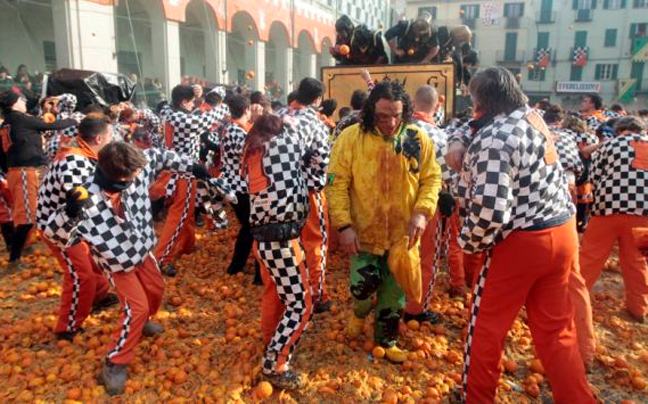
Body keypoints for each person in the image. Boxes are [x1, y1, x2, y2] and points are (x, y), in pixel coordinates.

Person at [445, 67, 595, 403]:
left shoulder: (494, 138)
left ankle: (477, 397)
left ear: (480, 100)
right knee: (557, 330)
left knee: (486, 327)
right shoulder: (532, 118)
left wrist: (466, 243)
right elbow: (467, 126)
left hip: (521, 241)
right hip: (562, 231)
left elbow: (491, 211)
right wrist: (458, 140)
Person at [42, 142, 212, 395]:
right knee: (137, 307)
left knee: (156, 291)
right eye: (129, 179)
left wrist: (194, 166)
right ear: (115, 177)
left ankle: (140, 323)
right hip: (117, 262)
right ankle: (115, 361)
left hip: (143, 249)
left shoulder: (140, 166)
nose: (136, 180)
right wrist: (70, 212)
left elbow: (162, 156)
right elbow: (52, 233)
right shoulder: (87, 196)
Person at [328, 80, 441, 363]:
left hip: (403, 237)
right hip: (363, 233)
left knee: (394, 294)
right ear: (370, 112)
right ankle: (359, 312)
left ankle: (386, 340)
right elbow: (337, 183)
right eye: (382, 116)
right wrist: (343, 225)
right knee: (363, 288)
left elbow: (431, 178)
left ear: (406, 111)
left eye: (397, 115)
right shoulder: (351, 138)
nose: (390, 122)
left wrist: (422, 211)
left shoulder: (416, 138)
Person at [243, 114, 320, 390]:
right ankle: (274, 365)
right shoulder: (282, 145)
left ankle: (272, 340)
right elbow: (319, 158)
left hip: (266, 238)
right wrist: (296, 124)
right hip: (281, 240)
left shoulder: (255, 149)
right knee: (301, 304)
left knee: (278, 294)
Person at [37, 114, 118, 340]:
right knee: (80, 275)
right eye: (111, 136)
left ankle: (99, 296)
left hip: (72, 223)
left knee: (92, 261)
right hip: (59, 227)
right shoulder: (74, 161)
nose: (114, 140)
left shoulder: (83, 153)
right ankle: (67, 326)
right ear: (100, 139)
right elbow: (84, 199)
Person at [0, 90, 76, 274]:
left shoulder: (9, 123)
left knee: (33, 212)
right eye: (22, 99)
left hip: (22, 171)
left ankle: (24, 247)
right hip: (24, 172)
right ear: (14, 103)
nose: (25, 102)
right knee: (27, 217)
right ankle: (14, 260)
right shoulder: (18, 119)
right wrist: (74, 121)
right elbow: (51, 125)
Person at [580, 116, 648, 323]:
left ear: (620, 130)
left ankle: (572, 303)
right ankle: (639, 310)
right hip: (644, 211)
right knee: (637, 260)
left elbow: (594, 176)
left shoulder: (610, 145)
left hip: (607, 208)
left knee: (591, 258)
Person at [155, 84, 227, 275]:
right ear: (184, 102)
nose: (195, 105)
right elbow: (203, 121)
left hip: (177, 170)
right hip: (183, 172)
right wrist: (224, 107)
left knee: (186, 212)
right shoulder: (183, 120)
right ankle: (162, 257)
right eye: (192, 102)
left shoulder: (168, 111)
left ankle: (187, 245)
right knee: (178, 216)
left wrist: (197, 95)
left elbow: (193, 114)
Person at [279, 78, 332, 313]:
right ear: (318, 99)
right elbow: (322, 159)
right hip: (309, 191)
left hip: (280, 191)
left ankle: (288, 290)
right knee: (315, 241)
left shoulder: (279, 114)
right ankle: (316, 293)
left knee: (288, 241)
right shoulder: (315, 122)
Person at [407, 84, 455, 320]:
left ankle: (391, 302)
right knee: (426, 257)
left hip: (394, 201)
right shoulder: (437, 134)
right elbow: (447, 175)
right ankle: (415, 310)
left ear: (414, 102)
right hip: (425, 204)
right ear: (437, 105)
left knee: (397, 253)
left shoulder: (397, 128)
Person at [220, 94, 260, 282]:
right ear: (247, 110)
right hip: (241, 187)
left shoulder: (230, 128)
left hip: (233, 185)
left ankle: (236, 266)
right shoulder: (238, 132)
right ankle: (254, 273)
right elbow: (254, 156)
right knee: (255, 226)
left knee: (249, 227)